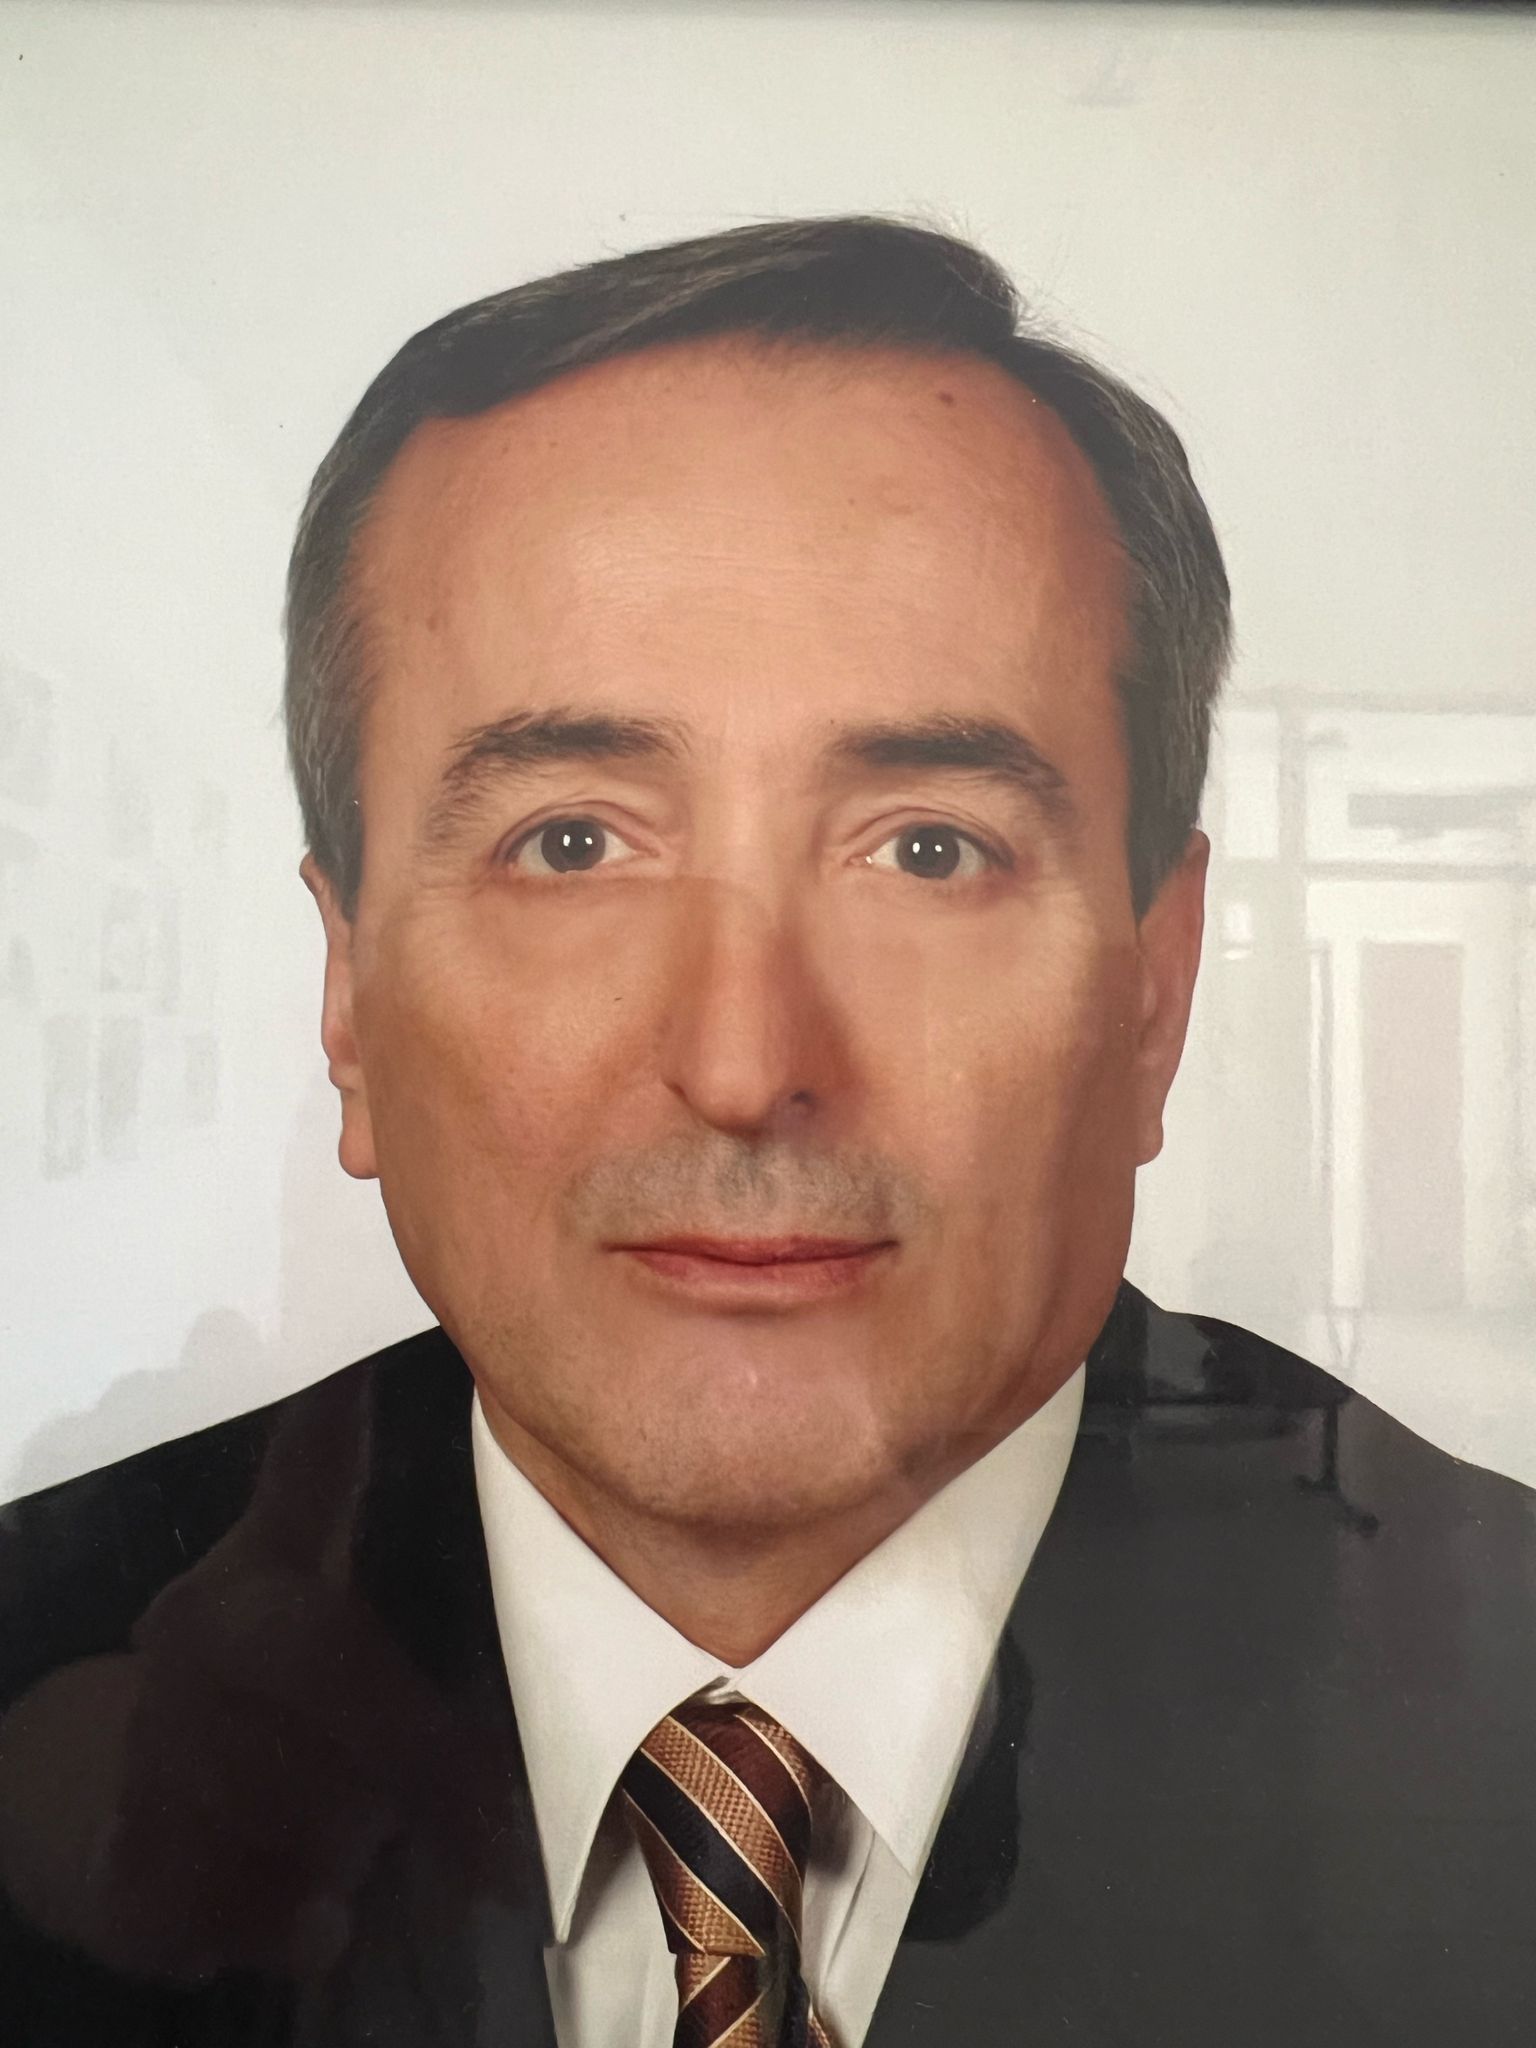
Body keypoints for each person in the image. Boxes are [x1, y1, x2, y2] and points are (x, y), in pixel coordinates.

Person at [1, 217, 1533, 2048]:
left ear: (1153, 995)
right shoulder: (52, 1691)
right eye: (572, 843)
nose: (743, 1063)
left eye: (929, 850)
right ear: (349, 994)